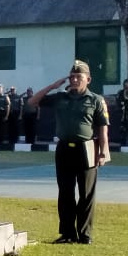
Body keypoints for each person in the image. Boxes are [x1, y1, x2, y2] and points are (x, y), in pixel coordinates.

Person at [27, 60, 110, 244]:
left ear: (88, 79)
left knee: (86, 194)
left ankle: (85, 234)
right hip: (64, 149)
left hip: (86, 149)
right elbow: (32, 102)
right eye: (71, 77)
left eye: (78, 77)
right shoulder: (60, 97)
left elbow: (103, 129)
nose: (74, 80)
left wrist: (103, 152)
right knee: (65, 193)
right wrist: (53, 86)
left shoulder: (96, 100)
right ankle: (67, 234)